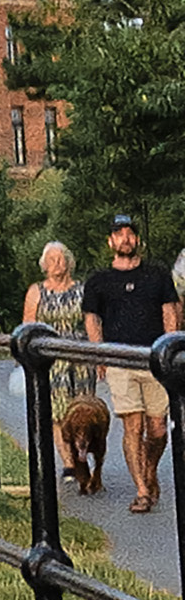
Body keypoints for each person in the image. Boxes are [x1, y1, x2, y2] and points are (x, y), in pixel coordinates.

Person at [78, 214, 180, 514]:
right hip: (120, 359)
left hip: (154, 358)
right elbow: (91, 317)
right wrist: (100, 354)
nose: (125, 238)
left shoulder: (157, 275)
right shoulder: (99, 280)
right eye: (119, 234)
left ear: (138, 240)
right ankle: (142, 490)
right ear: (110, 242)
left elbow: (170, 312)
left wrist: (171, 349)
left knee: (158, 429)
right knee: (132, 426)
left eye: (130, 233)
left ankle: (149, 469)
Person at [28, 241, 104, 493]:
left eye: (60, 259)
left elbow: (92, 322)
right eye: (50, 260)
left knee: (83, 411)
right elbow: (27, 327)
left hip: (81, 356)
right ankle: (70, 464)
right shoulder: (36, 292)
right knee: (58, 413)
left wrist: (99, 355)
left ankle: (86, 455)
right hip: (52, 360)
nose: (56, 264)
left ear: (69, 262)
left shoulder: (83, 290)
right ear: (43, 266)